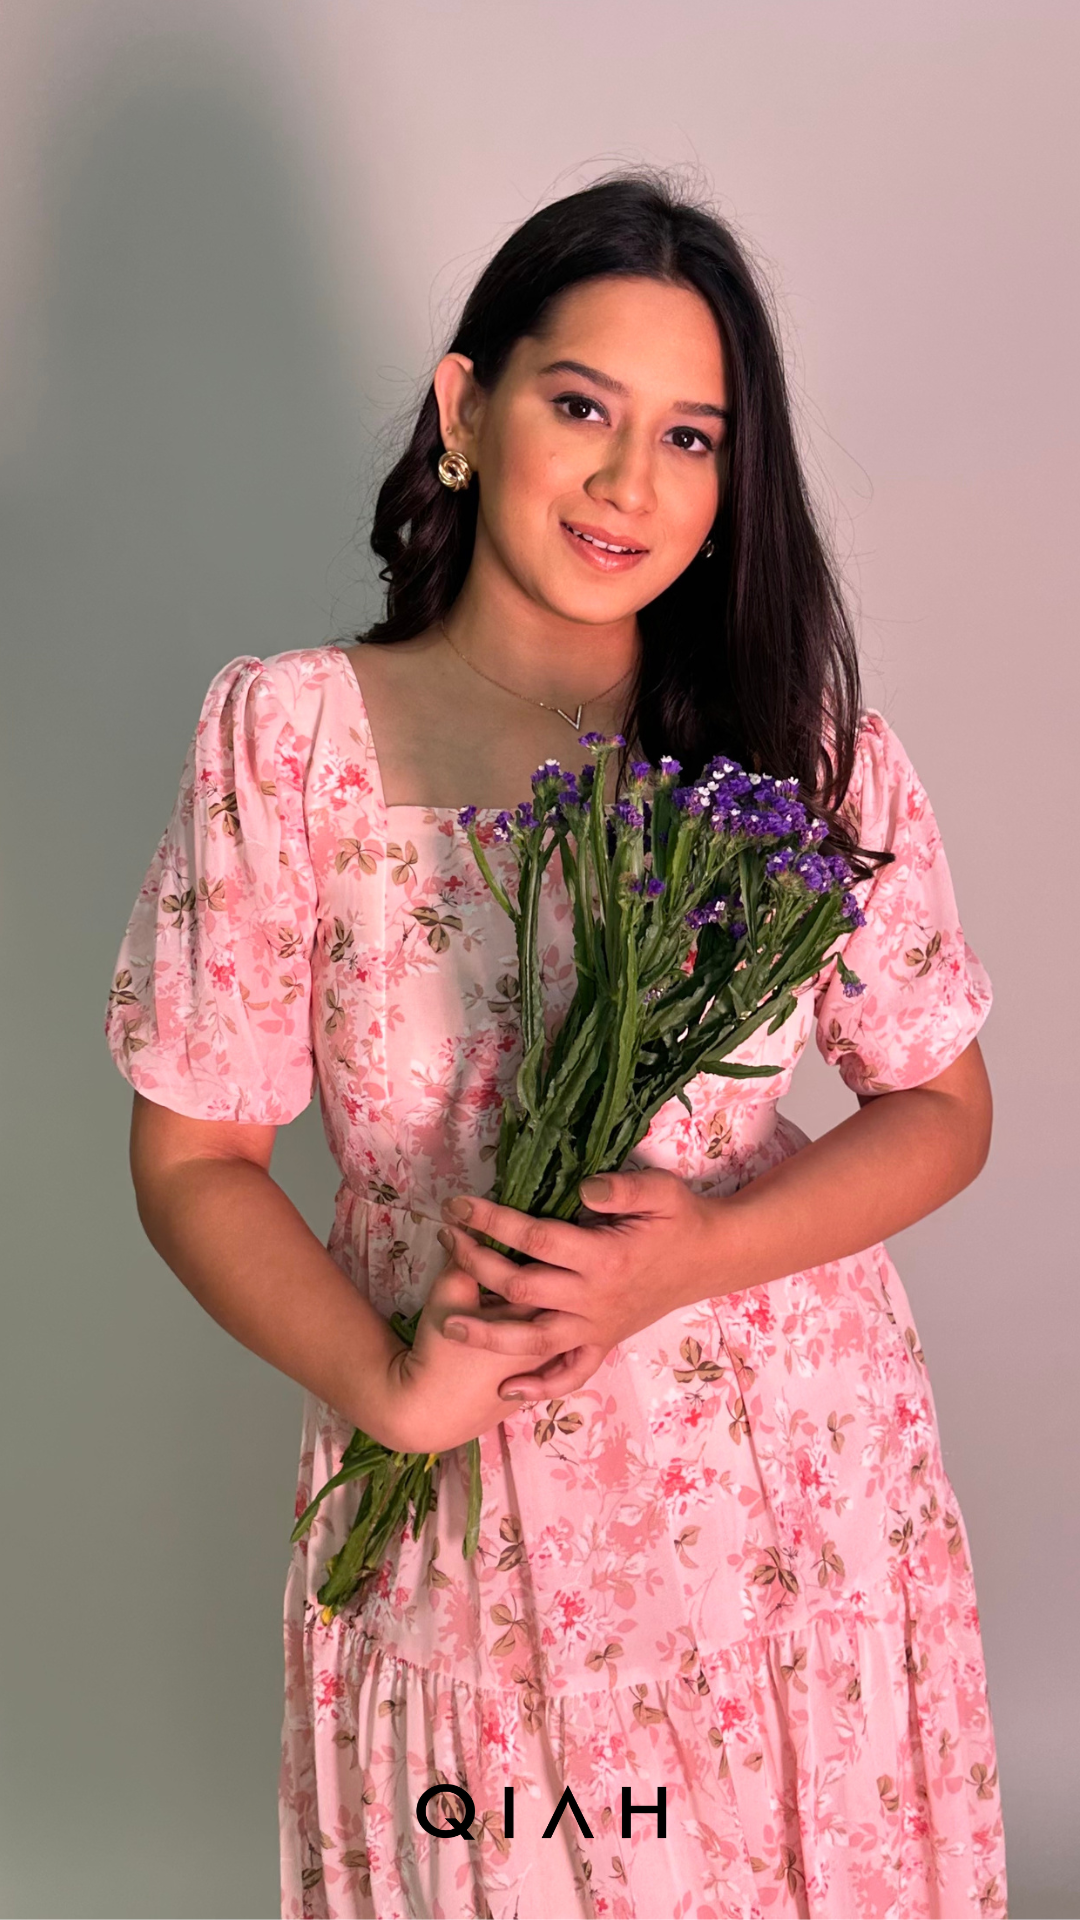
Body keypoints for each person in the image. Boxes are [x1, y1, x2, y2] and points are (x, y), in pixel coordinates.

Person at [104, 170, 1007, 1920]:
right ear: (468, 406)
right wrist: (389, 1389)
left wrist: (708, 1252)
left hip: (797, 1515)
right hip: (470, 1522)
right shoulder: (292, 740)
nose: (627, 483)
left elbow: (944, 1107)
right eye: (582, 406)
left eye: (691, 438)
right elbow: (192, 1154)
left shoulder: (792, 750)